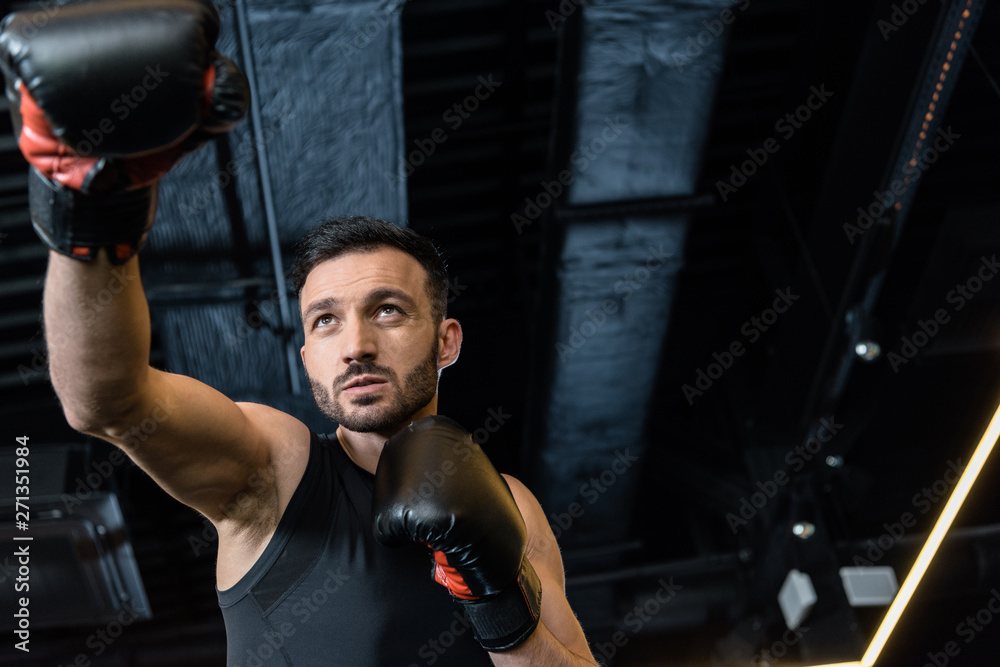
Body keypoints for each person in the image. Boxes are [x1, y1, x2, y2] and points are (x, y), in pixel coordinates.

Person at [0, 1, 599, 665]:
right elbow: (108, 402)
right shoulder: (276, 467)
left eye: (389, 310)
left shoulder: (511, 504)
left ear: (447, 340)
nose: (356, 344)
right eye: (325, 321)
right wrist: (95, 213)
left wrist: (495, 595)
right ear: (307, 355)